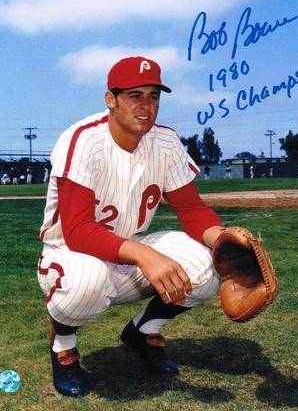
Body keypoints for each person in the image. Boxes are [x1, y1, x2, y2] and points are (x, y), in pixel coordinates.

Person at [37, 56, 227, 398]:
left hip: (128, 250)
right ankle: (63, 348)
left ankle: (142, 332)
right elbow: (78, 230)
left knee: (209, 264)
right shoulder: (82, 140)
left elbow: (192, 209)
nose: (146, 106)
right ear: (111, 99)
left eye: (154, 96)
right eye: (134, 95)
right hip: (69, 254)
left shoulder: (165, 142)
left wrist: (224, 240)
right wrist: (145, 255)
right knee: (84, 285)